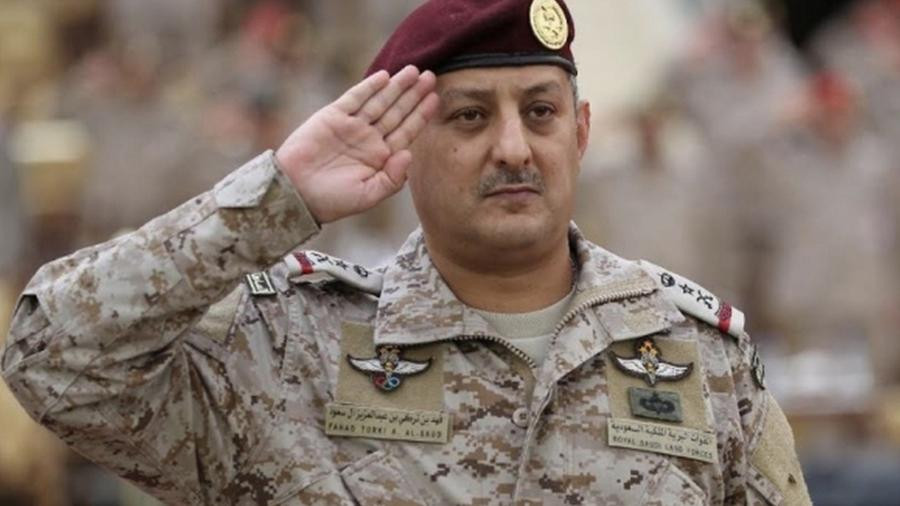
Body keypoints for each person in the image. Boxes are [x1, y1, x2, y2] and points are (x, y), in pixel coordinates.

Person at [1, 0, 811, 504]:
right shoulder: (287, 349)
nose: (513, 148)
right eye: (468, 117)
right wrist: (276, 195)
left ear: (582, 131)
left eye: (540, 112)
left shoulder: (698, 357)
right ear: (402, 142)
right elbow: (53, 358)